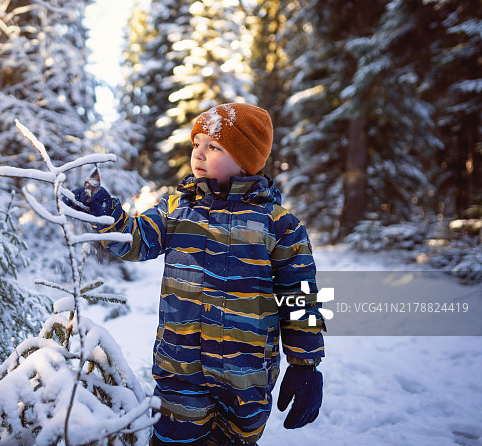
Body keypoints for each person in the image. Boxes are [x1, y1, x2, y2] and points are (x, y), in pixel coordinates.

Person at [66, 103, 325, 445]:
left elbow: (300, 295)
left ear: (245, 159)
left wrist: (305, 364)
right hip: (179, 370)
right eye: (196, 144)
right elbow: (137, 240)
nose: (199, 154)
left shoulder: (279, 224)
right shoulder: (176, 209)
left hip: (246, 378)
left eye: (214, 147)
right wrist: (108, 218)